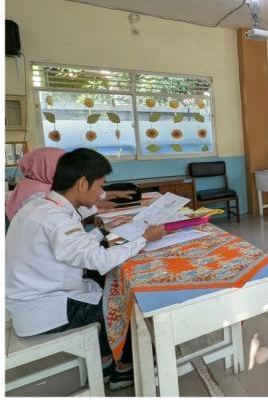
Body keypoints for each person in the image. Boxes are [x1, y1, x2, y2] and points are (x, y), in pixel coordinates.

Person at [5, 148, 166, 390]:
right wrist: (144, 238)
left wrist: (103, 231)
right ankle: (124, 369)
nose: (102, 193)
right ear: (82, 184)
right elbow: (100, 260)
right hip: (45, 308)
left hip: (33, 296)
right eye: (100, 185)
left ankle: (106, 358)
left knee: (108, 286)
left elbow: (73, 246)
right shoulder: (56, 220)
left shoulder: (40, 206)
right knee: (123, 301)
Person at [6, 147, 134, 223]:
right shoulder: (36, 195)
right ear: (45, 167)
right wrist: (95, 208)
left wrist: (108, 197)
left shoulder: (37, 183)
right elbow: (64, 215)